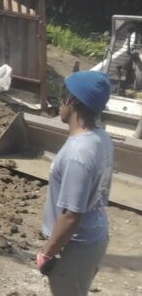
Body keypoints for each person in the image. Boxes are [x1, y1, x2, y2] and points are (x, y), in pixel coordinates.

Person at [37, 70, 113, 296]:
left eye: (62, 96)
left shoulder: (78, 152)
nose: (59, 102)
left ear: (71, 101)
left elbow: (71, 215)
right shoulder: (102, 138)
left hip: (74, 247)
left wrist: (48, 252)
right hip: (93, 237)